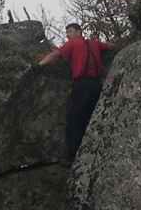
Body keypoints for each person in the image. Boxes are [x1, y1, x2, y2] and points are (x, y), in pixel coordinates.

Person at [38, 23, 113, 162]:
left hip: (82, 85)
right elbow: (110, 46)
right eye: (67, 33)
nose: (68, 35)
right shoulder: (95, 43)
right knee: (91, 117)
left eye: (70, 32)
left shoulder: (73, 43)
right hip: (97, 85)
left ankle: (72, 155)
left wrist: (39, 65)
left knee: (74, 120)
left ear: (79, 32)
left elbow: (56, 55)